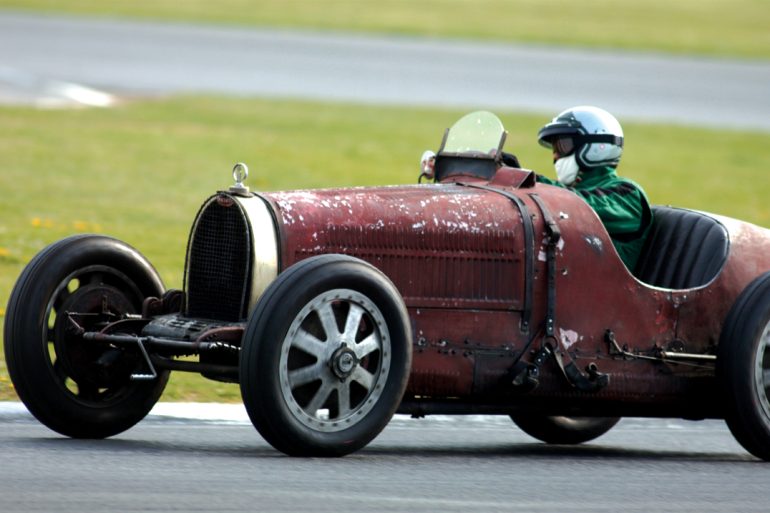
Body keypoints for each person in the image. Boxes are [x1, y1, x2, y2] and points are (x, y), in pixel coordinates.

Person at [536, 106, 652, 270]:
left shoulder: (628, 195)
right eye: (554, 149)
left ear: (596, 146)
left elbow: (579, 206)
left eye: (562, 146)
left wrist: (532, 182)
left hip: (606, 291)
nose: (555, 156)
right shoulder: (566, 189)